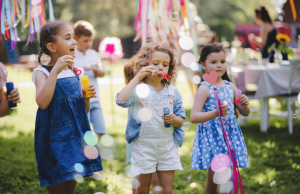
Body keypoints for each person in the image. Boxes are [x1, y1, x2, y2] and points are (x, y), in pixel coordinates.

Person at [32, 21, 103, 194]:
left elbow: (83, 112)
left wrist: (85, 98)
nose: (74, 42)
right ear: (51, 46)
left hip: (76, 134)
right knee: (57, 176)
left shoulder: (77, 72)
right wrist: (55, 71)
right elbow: (42, 102)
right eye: (68, 38)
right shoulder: (42, 73)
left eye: (73, 37)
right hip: (54, 137)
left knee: (73, 175)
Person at [116, 42, 186, 194]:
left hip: (167, 147)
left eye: (165, 64)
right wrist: (138, 77)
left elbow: (181, 121)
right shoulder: (138, 90)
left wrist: (173, 119)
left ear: (170, 68)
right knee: (142, 190)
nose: (160, 67)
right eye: (155, 63)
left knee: (167, 190)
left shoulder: (173, 92)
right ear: (144, 64)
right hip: (143, 147)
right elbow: (121, 100)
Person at [190, 43, 250, 194]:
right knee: (215, 179)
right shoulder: (204, 88)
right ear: (203, 65)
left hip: (230, 136)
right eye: (213, 62)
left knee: (224, 177)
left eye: (222, 61)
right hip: (214, 137)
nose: (219, 65)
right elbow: (194, 116)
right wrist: (216, 113)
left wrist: (244, 104)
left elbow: (244, 113)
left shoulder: (231, 86)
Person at [123, 60, 160, 194]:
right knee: (146, 173)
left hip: (146, 138)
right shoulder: (137, 92)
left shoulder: (135, 91)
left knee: (139, 173)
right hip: (139, 139)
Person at [73, 20, 106, 139]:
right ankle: (86, 152)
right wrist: (88, 67)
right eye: (85, 41)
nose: (88, 43)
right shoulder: (72, 54)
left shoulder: (93, 53)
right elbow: (72, 71)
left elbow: (102, 72)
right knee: (84, 131)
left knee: (101, 129)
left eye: (90, 40)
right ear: (75, 39)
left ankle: (98, 152)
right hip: (81, 98)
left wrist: (97, 71)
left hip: (95, 97)